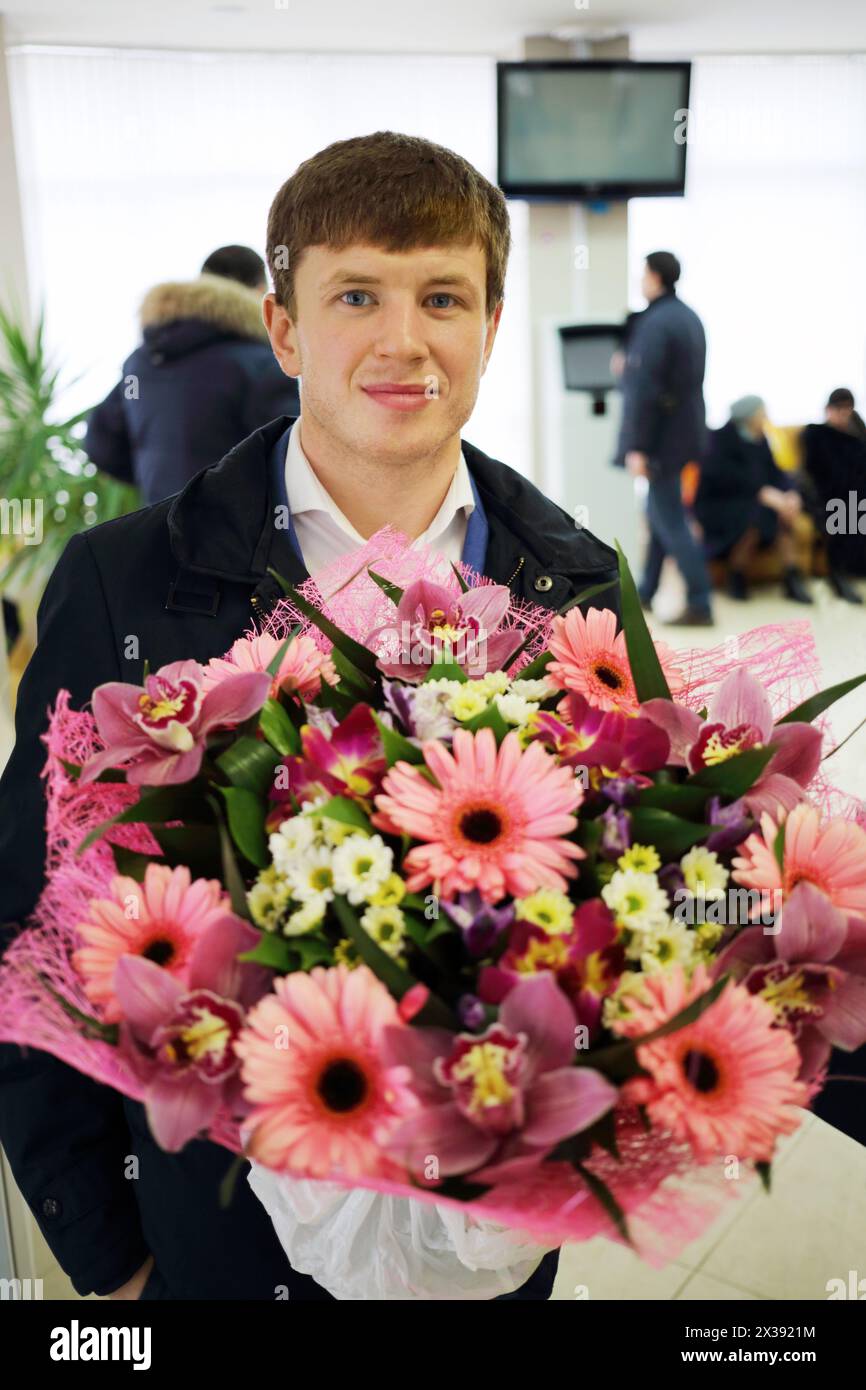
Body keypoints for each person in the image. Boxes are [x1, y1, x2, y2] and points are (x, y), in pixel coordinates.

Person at [0, 131, 621, 1302]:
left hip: (491, 1236)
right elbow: (31, 926)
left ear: (488, 326)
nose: (402, 338)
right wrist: (110, 1256)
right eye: (354, 295)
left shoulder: (576, 584)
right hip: (213, 1236)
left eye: (442, 295)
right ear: (283, 328)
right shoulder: (118, 585)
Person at [84, 245, 301, 505]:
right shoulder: (261, 364)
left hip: (161, 529)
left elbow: (101, 442)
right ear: (259, 293)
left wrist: (155, 478)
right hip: (237, 537)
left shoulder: (142, 362)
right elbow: (293, 462)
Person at [615, 251, 713, 626]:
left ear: (654, 277)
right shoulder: (689, 318)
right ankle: (646, 593)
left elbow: (644, 390)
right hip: (686, 433)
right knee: (659, 514)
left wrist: (637, 446)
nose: (641, 280)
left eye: (644, 274)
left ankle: (701, 602)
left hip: (661, 439)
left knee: (669, 518)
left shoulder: (655, 324)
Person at [694, 395, 813, 603]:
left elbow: (776, 473)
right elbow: (721, 478)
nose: (766, 418)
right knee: (757, 515)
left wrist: (790, 493)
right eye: (762, 414)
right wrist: (761, 492)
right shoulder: (719, 438)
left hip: (754, 501)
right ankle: (736, 574)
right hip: (719, 505)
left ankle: (792, 575)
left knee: (779, 513)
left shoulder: (760, 439)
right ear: (749, 417)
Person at [801, 387, 866, 603]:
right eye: (839, 409)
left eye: (847, 409)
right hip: (827, 493)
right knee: (844, 513)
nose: (843, 414)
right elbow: (814, 470)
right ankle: (838, 575)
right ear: (828, 409)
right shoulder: (816, 434)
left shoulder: (857, 433)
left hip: (857, 490)